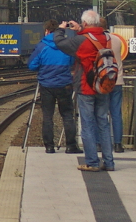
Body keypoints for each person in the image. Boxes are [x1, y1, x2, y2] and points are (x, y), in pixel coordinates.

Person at [53, 9, 115, 172]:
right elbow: (93, 39)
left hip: (86, 87)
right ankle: (109, 162)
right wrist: (81, 29)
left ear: (85, 23)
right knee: (103, 123)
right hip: (103, 86)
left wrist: (61, 29)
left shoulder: (81, 41)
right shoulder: (107, 37)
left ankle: (92, 162)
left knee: (87, 125)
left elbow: (60, 43)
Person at [28, 19, 82, 154]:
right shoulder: (66, 45)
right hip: (64, 85)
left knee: (47, 116)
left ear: (46, 31)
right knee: (68, 115)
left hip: (46, 85)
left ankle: (49, 146)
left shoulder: (41, 46)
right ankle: (71, 146)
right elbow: (72, 60)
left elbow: (32, 65)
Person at [100, 19, 128, 153]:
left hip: (104, 81)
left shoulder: (98, 40)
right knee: (116, 113)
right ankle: (118, 144)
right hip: (118, 80)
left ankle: (101, 143)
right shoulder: (116, 40)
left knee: (101, 113)